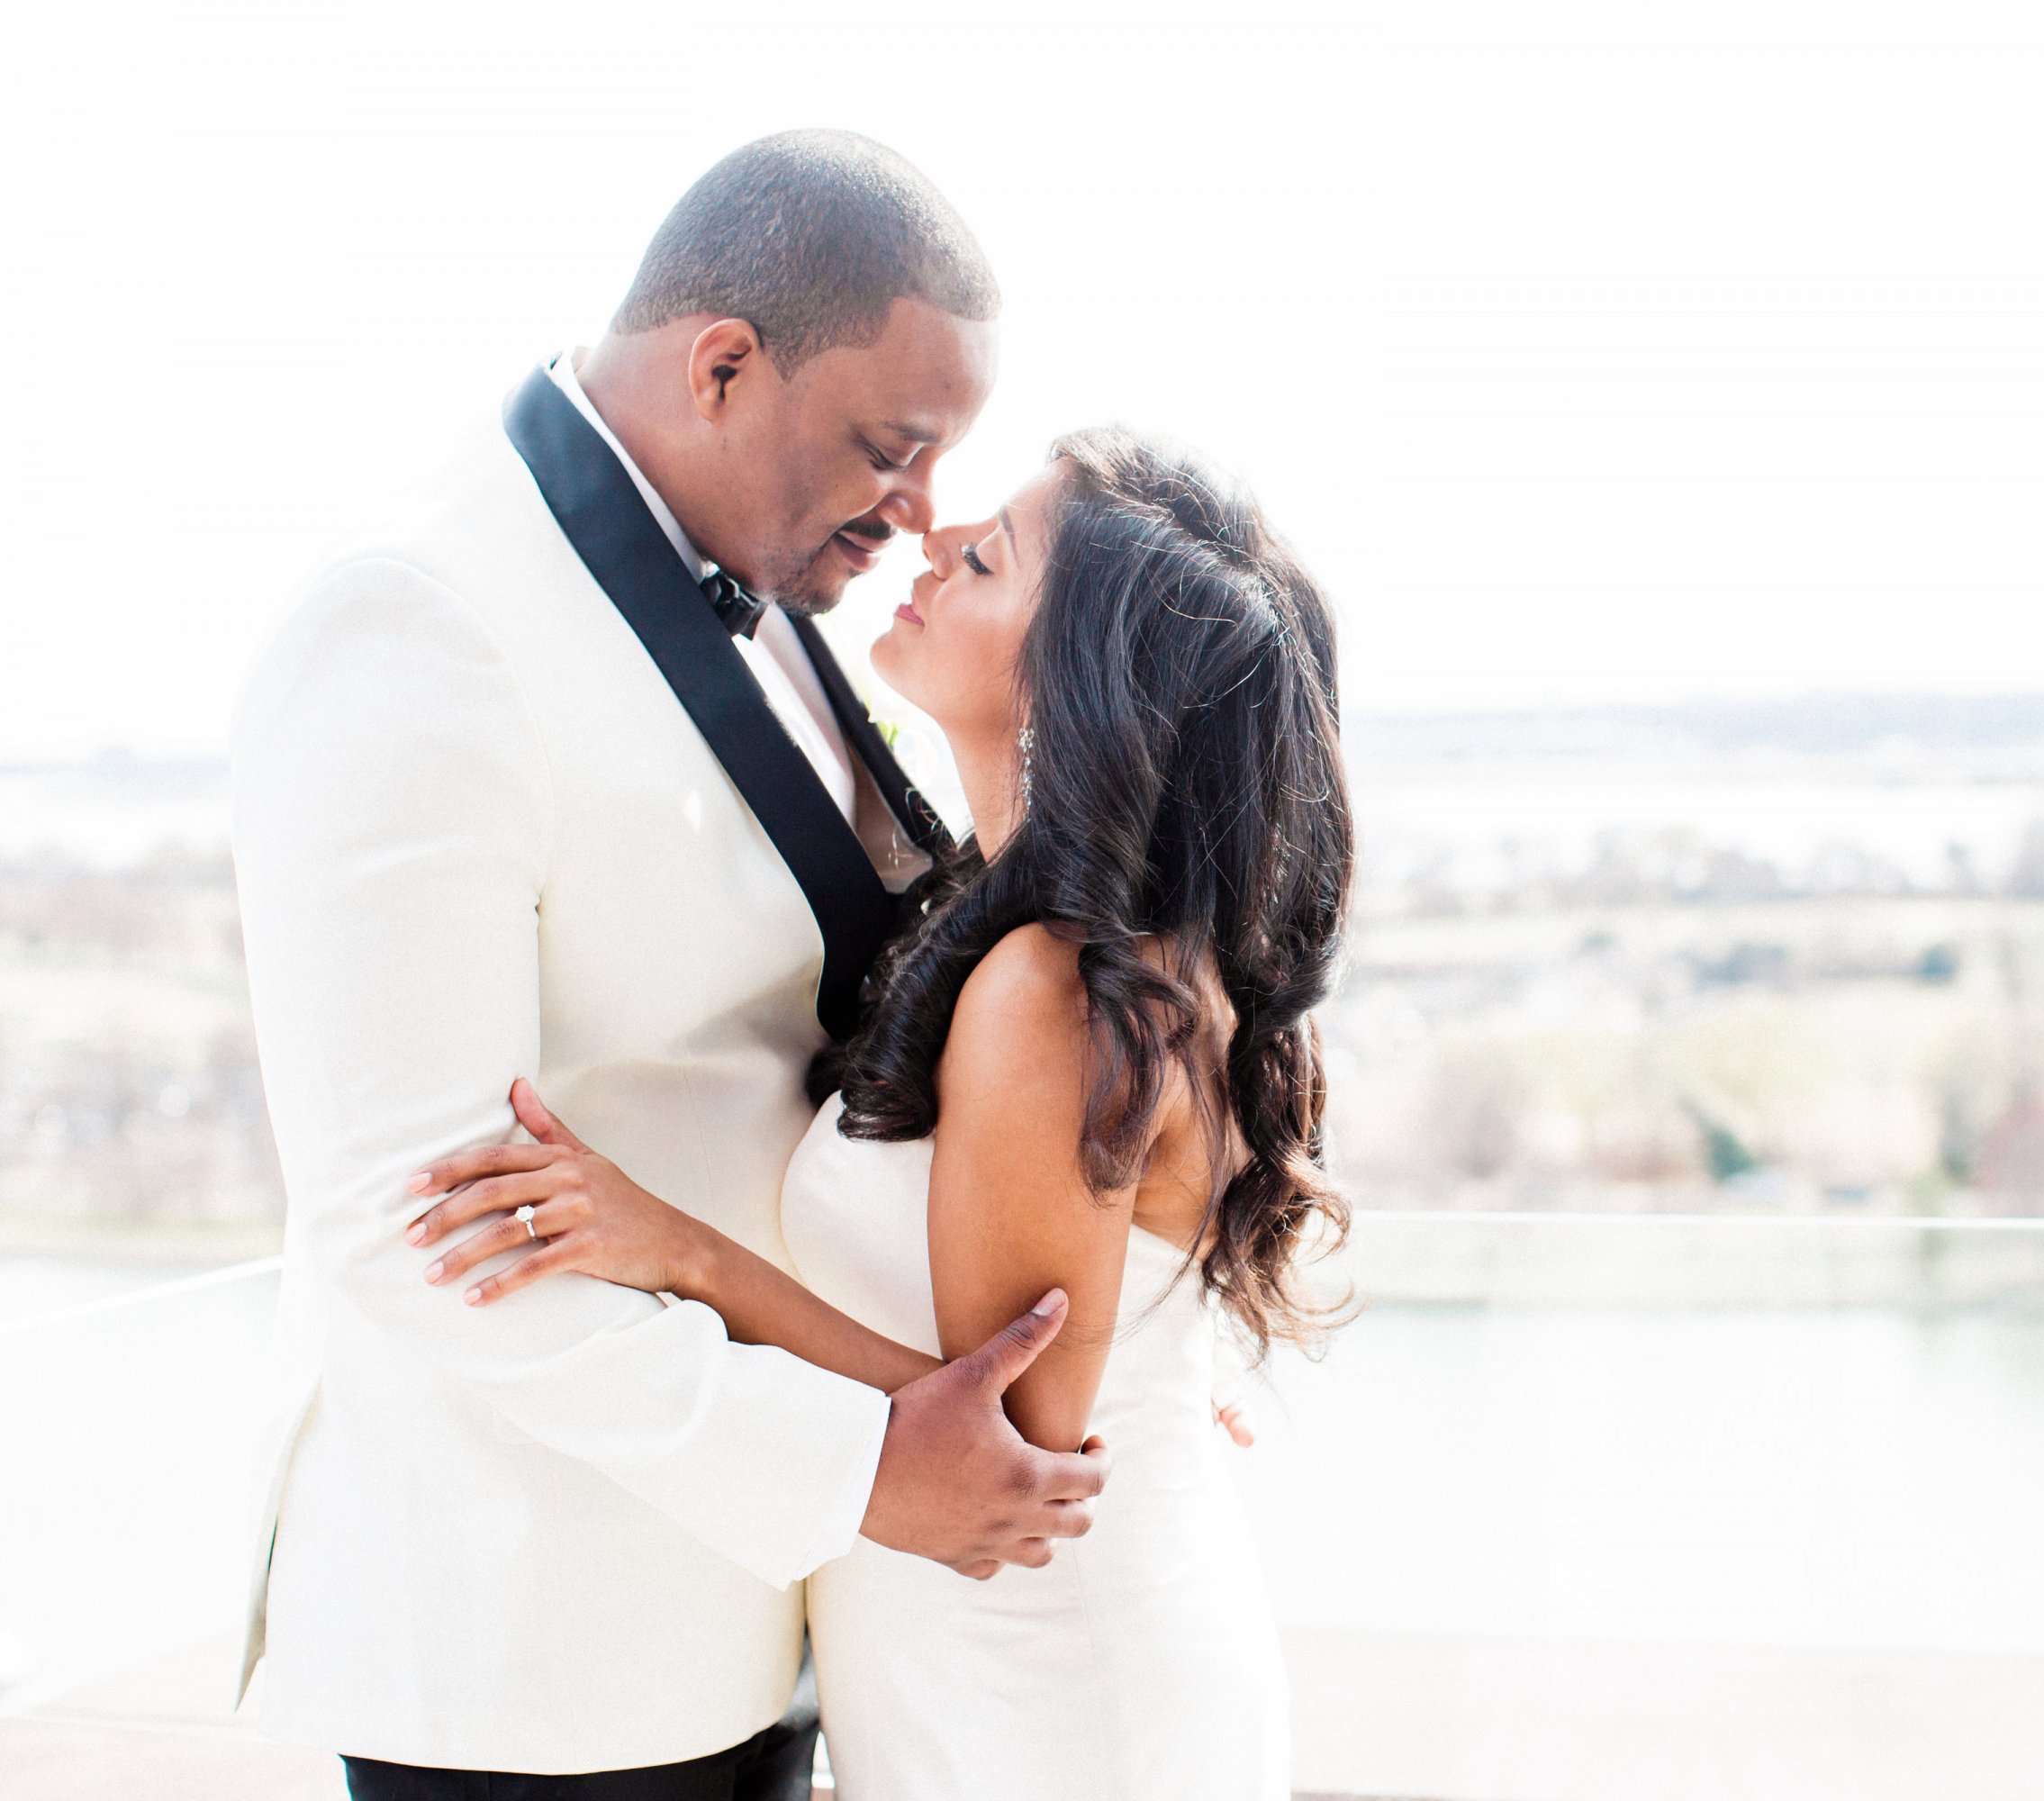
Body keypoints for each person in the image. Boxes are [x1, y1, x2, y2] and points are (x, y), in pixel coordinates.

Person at [231, 131, 1108, 1799]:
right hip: (539, 1651)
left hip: (779, 1617)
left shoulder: (777, 581)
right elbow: (414, 1224)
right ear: (721, 367)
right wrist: (856, 1468)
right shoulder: (415, 626)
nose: (923, 515)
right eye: (892, 448)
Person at [402, 423, 1353, 1799]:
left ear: (1074, 672)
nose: (938, 539)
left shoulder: (1056, 993)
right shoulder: (1025, 939)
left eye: (994, 555)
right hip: (982, 1658)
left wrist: (673, 1247)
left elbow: (1007, 1450)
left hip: (1053, 1687)